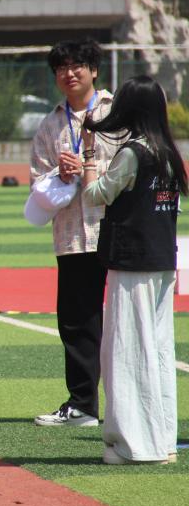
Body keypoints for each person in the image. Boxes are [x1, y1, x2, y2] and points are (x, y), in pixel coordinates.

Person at [80, 76, 183, 465]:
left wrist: (89, 159)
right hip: (162, 260)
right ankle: (162, 440)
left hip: (132, 261)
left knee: (125, 350)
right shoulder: (169, 154)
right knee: (157, 349)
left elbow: (95, 196)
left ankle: (132, 445)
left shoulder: (133, 153)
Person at [30, 38, 116, 427]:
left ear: (93, 70)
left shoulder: (116, 113)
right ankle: (82, 405)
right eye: (61, 68)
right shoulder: (50, 124)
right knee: (77, 321)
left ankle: (126, 405)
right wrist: (60, 174)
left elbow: (135, 164)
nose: (69, 73)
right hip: (72, 236)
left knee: (123, 319)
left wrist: (90, 168)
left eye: (77, 65)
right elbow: (37, 181)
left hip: (114, 230)